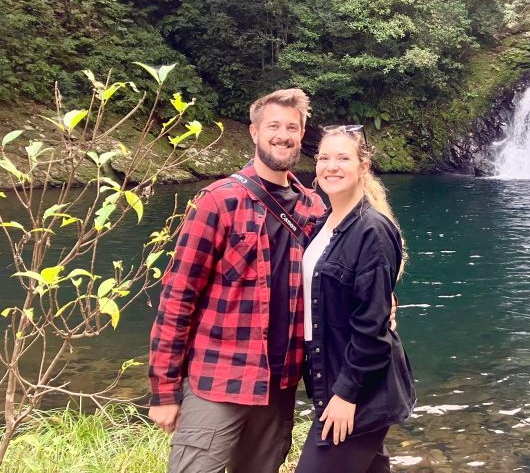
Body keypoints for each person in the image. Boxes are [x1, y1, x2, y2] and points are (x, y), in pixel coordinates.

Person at [148, 89, 327, 473]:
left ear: (302, 134)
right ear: (254, 132)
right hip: (219, 379)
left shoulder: (314, 206)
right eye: (274, 126)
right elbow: (178, 297)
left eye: (291, 127)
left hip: (280, 386)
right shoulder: (219, 200)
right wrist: (164, 390)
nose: (283, 135)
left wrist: (385, 305)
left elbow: (339, 279)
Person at [295, 125, 416, 473]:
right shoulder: (323, 224)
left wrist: (347, 394)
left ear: (363, 166)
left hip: (360, 392)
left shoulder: (372, 230)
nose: (331, 166)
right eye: (324, 158)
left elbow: (372, 326)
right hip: (331, 378)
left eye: (343, 158)